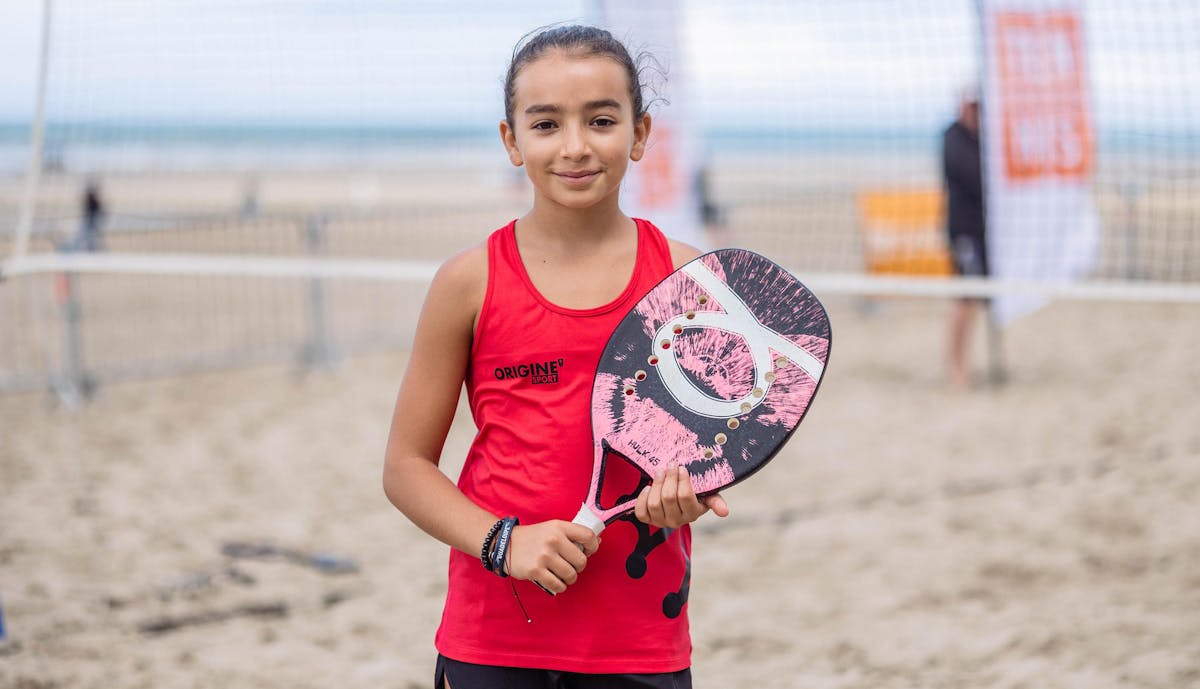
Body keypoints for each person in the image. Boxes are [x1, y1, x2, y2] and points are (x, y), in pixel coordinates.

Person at [382, 24, 729, 689]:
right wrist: (503, 542)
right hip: (494, 636)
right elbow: (404, 467)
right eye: (546, 124)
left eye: (601, 120)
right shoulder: (469, 281)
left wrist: (690, 492)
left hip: (639, 641)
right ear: (512, 140)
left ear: (640, 133)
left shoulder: (686, 281)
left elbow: (707, 452)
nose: (575, 146)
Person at [942, 84, 987, 389]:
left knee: (978, 298)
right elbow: (975, 177)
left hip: (984, 232)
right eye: (972, 106)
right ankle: (957, 368)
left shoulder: (982, 137)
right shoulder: (954, 138)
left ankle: (964, 365)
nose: (975, 112)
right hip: (964, 233)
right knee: (965, 299)